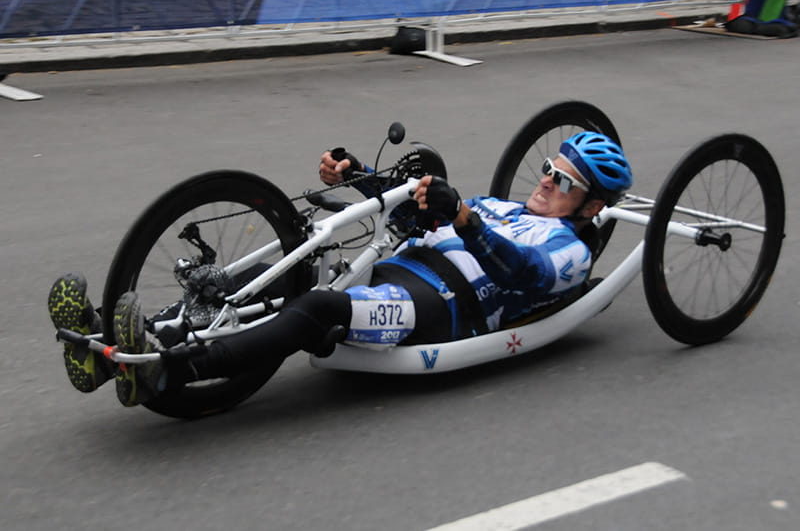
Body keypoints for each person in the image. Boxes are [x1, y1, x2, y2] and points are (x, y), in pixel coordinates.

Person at [48, 132, 632, 407]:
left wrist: (464, 219)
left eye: (565, 181)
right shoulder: (504, 205)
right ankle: (107, 343)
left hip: (435, 312)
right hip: (398, 270)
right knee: (280, 278)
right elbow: (418, 201)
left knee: (317, 310)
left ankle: (167, 373)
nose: (547, 181)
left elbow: (523, 274)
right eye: (551, 168)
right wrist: (355, 172)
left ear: (593, 205)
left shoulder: (570, 252)